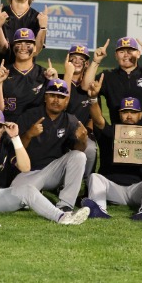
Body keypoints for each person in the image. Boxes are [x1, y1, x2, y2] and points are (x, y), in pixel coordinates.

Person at [0, 108, 90, 227]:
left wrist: (15, 138)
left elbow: (25, 167)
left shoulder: (6, 143)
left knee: (27, 189)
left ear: (3, 128)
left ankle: (62, 217)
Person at [82, 37, 142, 176]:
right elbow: (85, 86)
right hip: (121, 131)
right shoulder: (108, 77)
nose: (126, 55)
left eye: (130, 51)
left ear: (138, 54)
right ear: (116, 55)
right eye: (121, 51)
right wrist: (96, 61)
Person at [81, 94, 142, 222]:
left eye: (133, 112)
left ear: (140, 115)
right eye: (125, 112)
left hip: (136, 190)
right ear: (120, 114)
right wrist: (93, 99)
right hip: (112, 188)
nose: (129, 116)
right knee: (95, 177)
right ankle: (99, 209)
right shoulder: (111, 132)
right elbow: (98, 120)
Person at [12, 78, 88, 212]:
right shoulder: (30, 115)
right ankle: (36, 192)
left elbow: (78, 150)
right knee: (17, 198)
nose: (56, 100)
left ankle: (65, 204)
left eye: (61, 97)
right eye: (52, 95)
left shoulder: (70, 120)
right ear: (45, 97)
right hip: (29, 172)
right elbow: (15, 149)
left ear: (66, 101)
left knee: (79, 156)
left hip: (54, 171)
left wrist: (82, 140)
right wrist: (28, 135)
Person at [0, 28, 58, 123]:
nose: (23, 47)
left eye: (28, 44)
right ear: (13, 47)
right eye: (19, 44)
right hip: (8, 126)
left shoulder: (44, 74)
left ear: (35, 48)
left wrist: (54, 82)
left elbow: (57, 107)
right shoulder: (3, 73)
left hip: (36, 127)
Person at [62, 45, 97, 181]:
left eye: (81, 59)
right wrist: (68, 74)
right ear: (67, 60)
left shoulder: (90, 86)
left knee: (91, 148)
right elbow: (62, 104)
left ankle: (88, 182)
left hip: (82, 131)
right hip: (60, 129)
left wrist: (88, 131)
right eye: (73, 58)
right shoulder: (59, 80)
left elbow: (93, 116)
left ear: (86, 63)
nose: (77, 61)